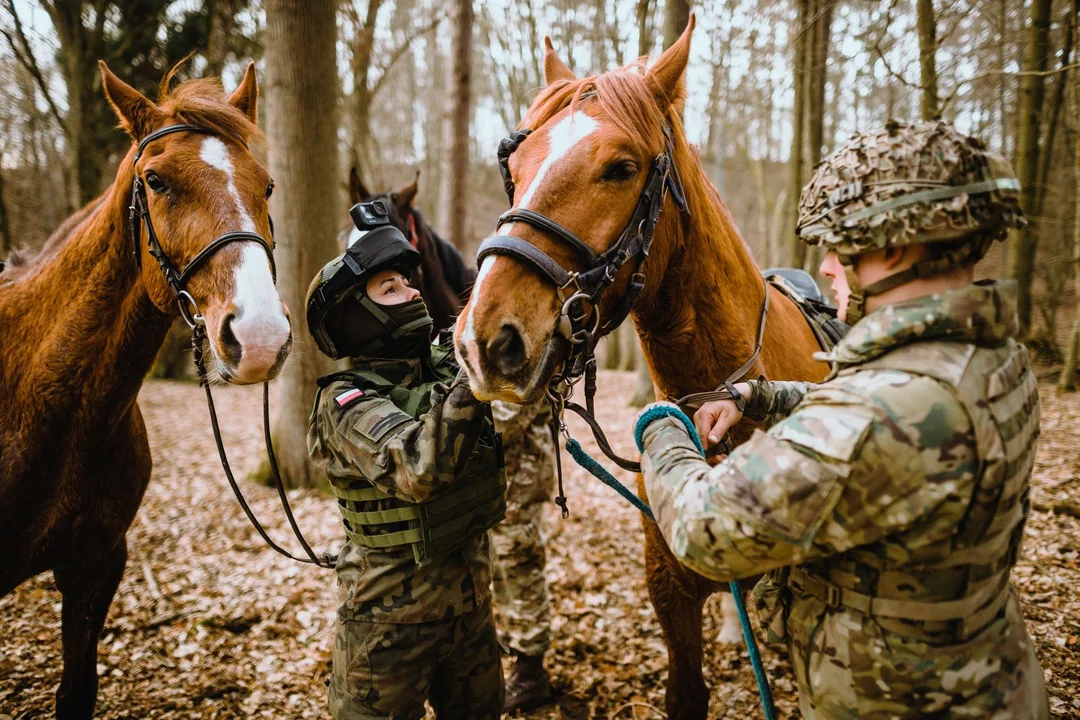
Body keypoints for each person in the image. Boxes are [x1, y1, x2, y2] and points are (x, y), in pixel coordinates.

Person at [633, 120, 1049, 719]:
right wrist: (759, 397)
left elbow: (705, 533)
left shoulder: (884, 412)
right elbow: (889, 422)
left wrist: (663, 429)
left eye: (840, 246)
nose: (826, 267)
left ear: (895, 248)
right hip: (992, 682)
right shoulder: (991, 357)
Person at [306, 203, 505, 720]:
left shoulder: (442, 366)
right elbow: (421, 467)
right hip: (386, 627)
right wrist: (474, 377)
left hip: (471, 612)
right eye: (390, 289)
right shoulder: (344, 403)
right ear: (356, 315)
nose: (413, 292)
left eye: (407, 283)